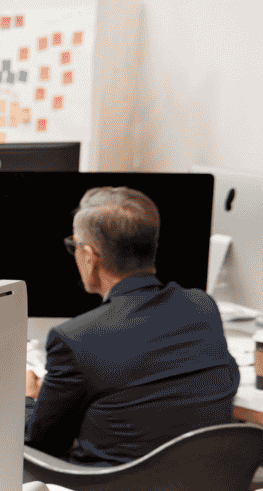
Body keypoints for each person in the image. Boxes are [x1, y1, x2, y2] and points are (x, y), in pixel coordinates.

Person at [25, 186, 240, 466]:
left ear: (90, 257)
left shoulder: (74, 339)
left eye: (74, 245)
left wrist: (30, 399)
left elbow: (42, 444)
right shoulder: (202, 306)